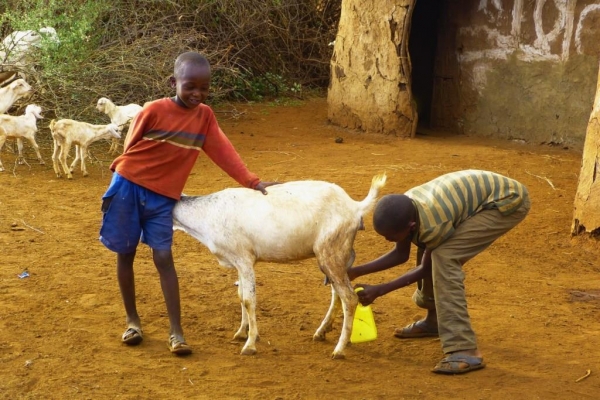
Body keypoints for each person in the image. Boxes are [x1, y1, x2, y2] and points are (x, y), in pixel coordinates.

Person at [99, 51, 278, 355]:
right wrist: (126, 177)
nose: (197, 93)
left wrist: (252, 181)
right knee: (125, 253)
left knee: (164, 257)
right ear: (174, 82)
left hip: (163, 196)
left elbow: (222, 151)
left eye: (204, 88)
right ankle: (133, 322)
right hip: (128, 186)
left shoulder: (204, 116)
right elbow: (130, 147)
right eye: (190, 86)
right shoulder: (153, 110)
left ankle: (176, 332)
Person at [349, 169, 530, 374]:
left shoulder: (434, 223)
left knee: (444, 258)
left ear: (411, 226)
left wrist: (380, 289)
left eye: (391, 236)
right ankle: (434, 321)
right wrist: (355, 271)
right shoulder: (407, 208)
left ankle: (465, 349)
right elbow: (401, 254)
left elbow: (426, 268)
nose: (387, 240)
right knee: (433, 249)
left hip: (505, 202)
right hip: (478, 196)